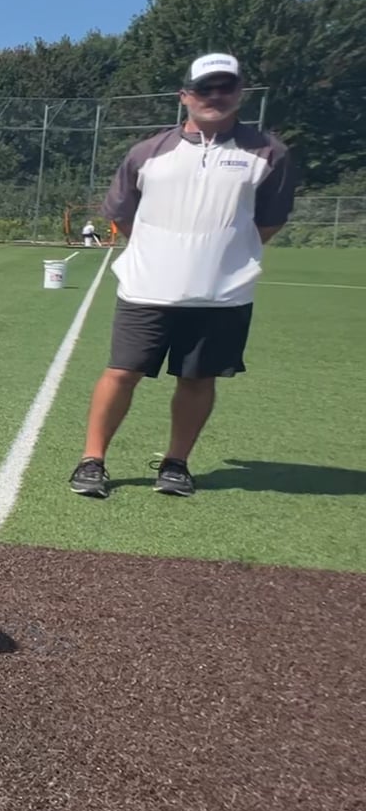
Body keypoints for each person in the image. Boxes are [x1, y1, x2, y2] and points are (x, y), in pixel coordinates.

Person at [69, 53, 297, 499]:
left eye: (225, 87)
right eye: (205, 88)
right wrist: (161, 252)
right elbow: (123, 215)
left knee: (198, 379)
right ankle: (92, 460)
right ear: (185, 96)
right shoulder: (147, 153)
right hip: (147, 288)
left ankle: (176, 464)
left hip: (222, 294)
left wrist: (224, 255)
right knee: (121, 372)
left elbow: (269, 221)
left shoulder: (269, 153)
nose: (215, 96)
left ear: (240, 93)